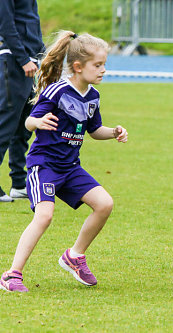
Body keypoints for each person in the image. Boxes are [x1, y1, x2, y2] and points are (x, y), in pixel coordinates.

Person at [0, 31, 128, 292]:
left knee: (104, 204)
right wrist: (39, 121)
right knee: (44, 216)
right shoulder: (57, 90)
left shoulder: (92, 96)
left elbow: (94, 131)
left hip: (70, 168)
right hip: (44, 165)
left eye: (104, 64)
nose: (103, 70)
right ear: (79, 67)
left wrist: (113, 132)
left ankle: (75, 256)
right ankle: (12, 274)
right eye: (98, 65)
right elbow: (28, 121)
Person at [0, 0, 45, 202]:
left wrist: (41, 55)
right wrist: (23, 58)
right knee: (5, 124)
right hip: (14, 61)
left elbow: (31, 22)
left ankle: (18, 182)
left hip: (30, 61)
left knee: (23, 125)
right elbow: (6, 25)